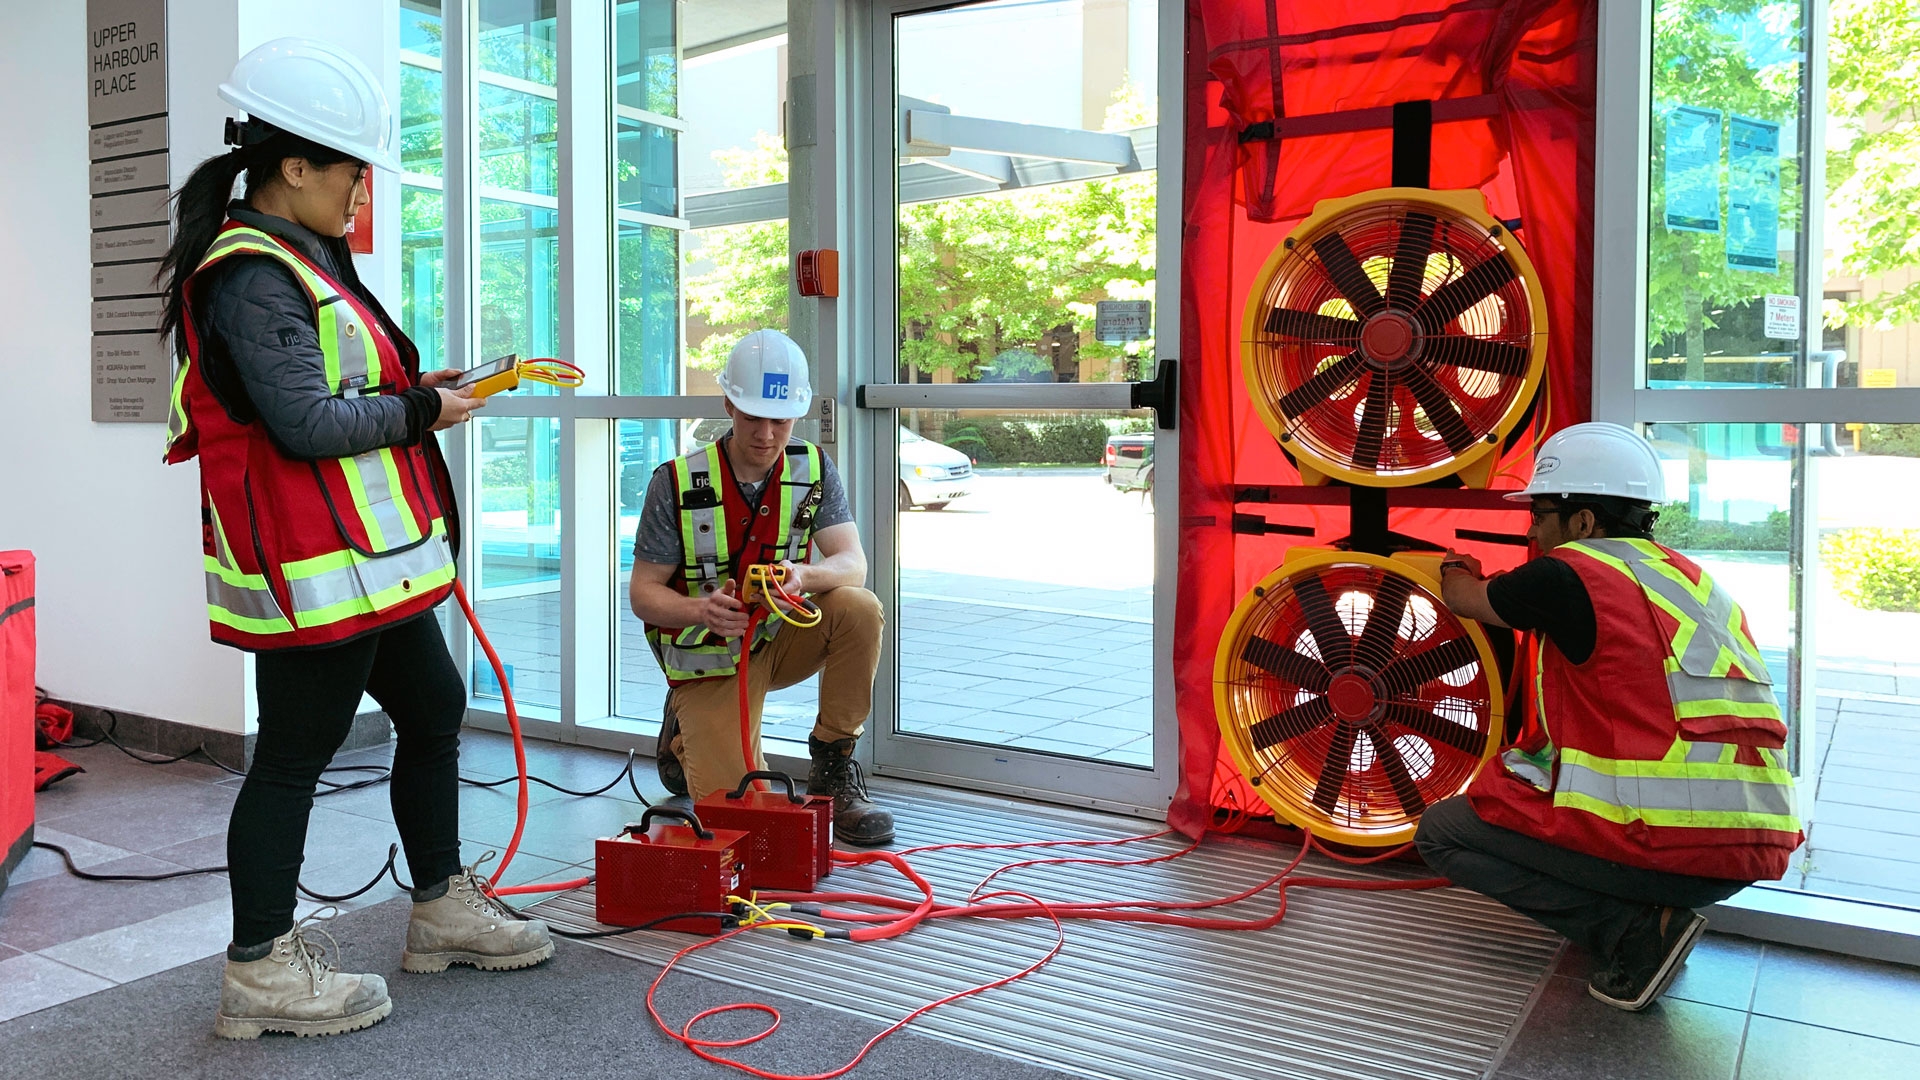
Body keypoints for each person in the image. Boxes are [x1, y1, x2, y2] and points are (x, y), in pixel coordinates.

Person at [160, 38, 550, 1040]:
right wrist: (427, 411)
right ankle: (260, 970)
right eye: (350, 171)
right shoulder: (250, 275)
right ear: (295, 166)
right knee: (295, 755)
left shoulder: (303, 258)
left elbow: (341, 395)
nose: (359, 191)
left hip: (371, 567)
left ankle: (439, 908)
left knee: (432, 706)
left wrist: (435, 392)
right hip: (317, 573)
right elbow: (306, 426)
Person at [1415, 421, 1802, 1012]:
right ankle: (1650, 911)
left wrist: (1454, 570)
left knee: (1442, 833)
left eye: (1540, 515)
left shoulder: (1567, 573)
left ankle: (1635, 932)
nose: (1534, 531)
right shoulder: (1690, 579)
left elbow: (1469, 601)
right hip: (1751, 845)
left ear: (1584, 522)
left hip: (1668, 844)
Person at [629, 330, 894, 845]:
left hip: (777, 637)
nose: (767, 434)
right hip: (708, 654)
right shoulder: (677, 482)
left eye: (781, 419)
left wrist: (805, 576)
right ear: (728, 404)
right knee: (742, 823)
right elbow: (643, 594)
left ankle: (834, 766)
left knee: (858, 607)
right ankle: (688, 735)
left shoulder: (813, 468)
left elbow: (852, 563)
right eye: (753, 417)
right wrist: (702, 611)